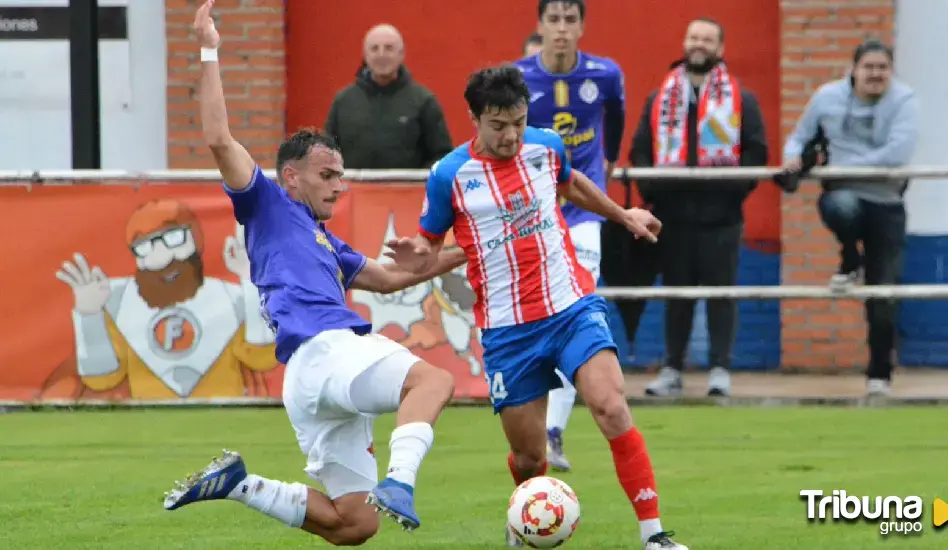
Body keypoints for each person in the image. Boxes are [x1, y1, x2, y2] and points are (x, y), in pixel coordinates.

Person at [160, 2, 466, 546]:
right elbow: (218, 138)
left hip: (306, 381)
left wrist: (469, 247)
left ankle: (239, 484)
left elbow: (389, 278)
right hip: (327, 351)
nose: (338, 186)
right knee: (434, 380)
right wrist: (209, 49)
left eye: (341, 176)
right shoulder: (267, 204)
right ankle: (400, 481)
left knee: (354, 523)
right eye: (327, 175)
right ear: (291, 177)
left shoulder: (327, 241)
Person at [386, 65, 688, 550]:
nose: (510, 136)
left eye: (518, 123)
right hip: (509, 331)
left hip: (571, 306)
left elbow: (572, 185)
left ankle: (654, 535)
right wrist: (414, 259)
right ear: (475, 118)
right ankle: (524, 520)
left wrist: (621, 213)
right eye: (498, 125)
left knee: (611, 406)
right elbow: (428, 249)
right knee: (529, 458)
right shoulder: (449, 176)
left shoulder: (546, 147)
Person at [513, 0, 626, 472]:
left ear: (582, 26)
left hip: (582, 213)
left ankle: (554, 431)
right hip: (533, 211)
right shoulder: (516, 77)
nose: (561, 29)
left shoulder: (604, 74)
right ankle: (536, 422)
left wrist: (611, 163)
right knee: (540, 314)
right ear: (540, 26)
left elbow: (616, 117)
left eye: (570, 20)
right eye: (553, 20)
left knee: (576, 308)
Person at [630, 17, 768, 398]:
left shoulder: (741, 97)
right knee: (676, 294)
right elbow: (641, 146)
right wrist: (653, 191)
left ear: (720, 48)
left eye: (708, 39)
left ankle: (720, 369)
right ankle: (673, 368)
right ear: (684, 42)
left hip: (721, 216)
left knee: (722, 294)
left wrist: (732, 191)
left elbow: (756, 150)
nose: (699, 44)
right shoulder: (661, 97)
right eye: (693, 37)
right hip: (672, 214)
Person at [781, 39, 918, 397]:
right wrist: (793, 158)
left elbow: (897, 153)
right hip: (843, 194)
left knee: (883, 292)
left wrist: (841, 166)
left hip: (887, 202)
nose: (875, 74)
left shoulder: (905, 101)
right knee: (840, 207)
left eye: (882, 68)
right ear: (853, 69)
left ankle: (879, 375)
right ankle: (849, 257)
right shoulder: (827, 97)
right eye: (869, 67)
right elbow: (798, 137)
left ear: (891, 71)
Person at [324, 24, 452, 169]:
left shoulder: (423, 101)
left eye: (389, 48)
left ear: (402, 54)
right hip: (353, 191)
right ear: (365, 55)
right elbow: (327, 155)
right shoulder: (343, 101)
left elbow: (441, 156)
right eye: (374, 48)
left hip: (408, 191)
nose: (381, 55)